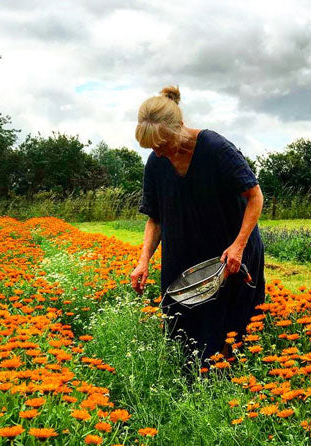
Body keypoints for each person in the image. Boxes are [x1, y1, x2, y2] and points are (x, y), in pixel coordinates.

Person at [127, 86, 265, 368]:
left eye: (162, 144)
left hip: (228, 252)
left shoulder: (215, 148)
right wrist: (143, 261)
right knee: (182, 330)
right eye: (152, 147)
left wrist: (238, 245)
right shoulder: (156, 163)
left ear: (178, 127)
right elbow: (155, 218)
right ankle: (191, 389)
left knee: (228, 332)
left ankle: (230, 390)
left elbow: (255, 197)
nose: (158, 152)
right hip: (183, 254)